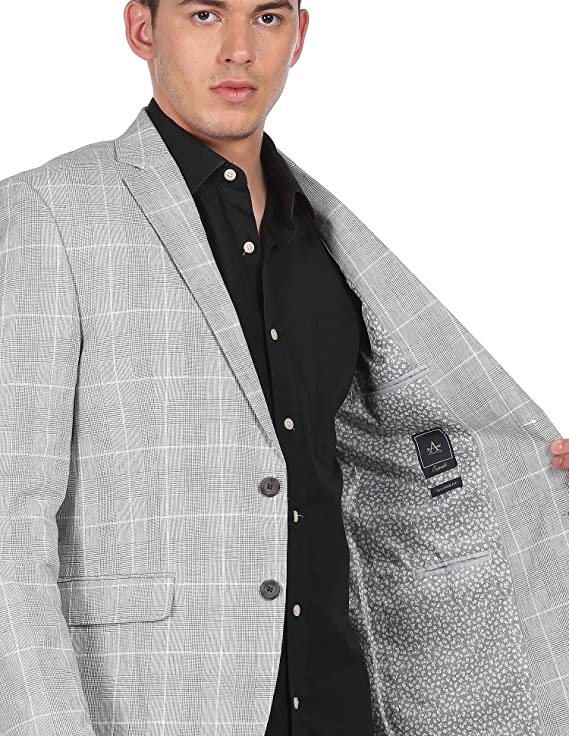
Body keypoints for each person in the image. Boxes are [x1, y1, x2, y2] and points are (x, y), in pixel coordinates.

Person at [1, 1, 569, 735]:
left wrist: (532, 476)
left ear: (298, 36)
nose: (239, 49)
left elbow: (385, 457)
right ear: (142, 29)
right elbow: (9, 513)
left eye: (266, 17)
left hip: (339, 700)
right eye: (205, 14)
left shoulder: (324, 237)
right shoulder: (47, 213)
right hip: (158, 706)